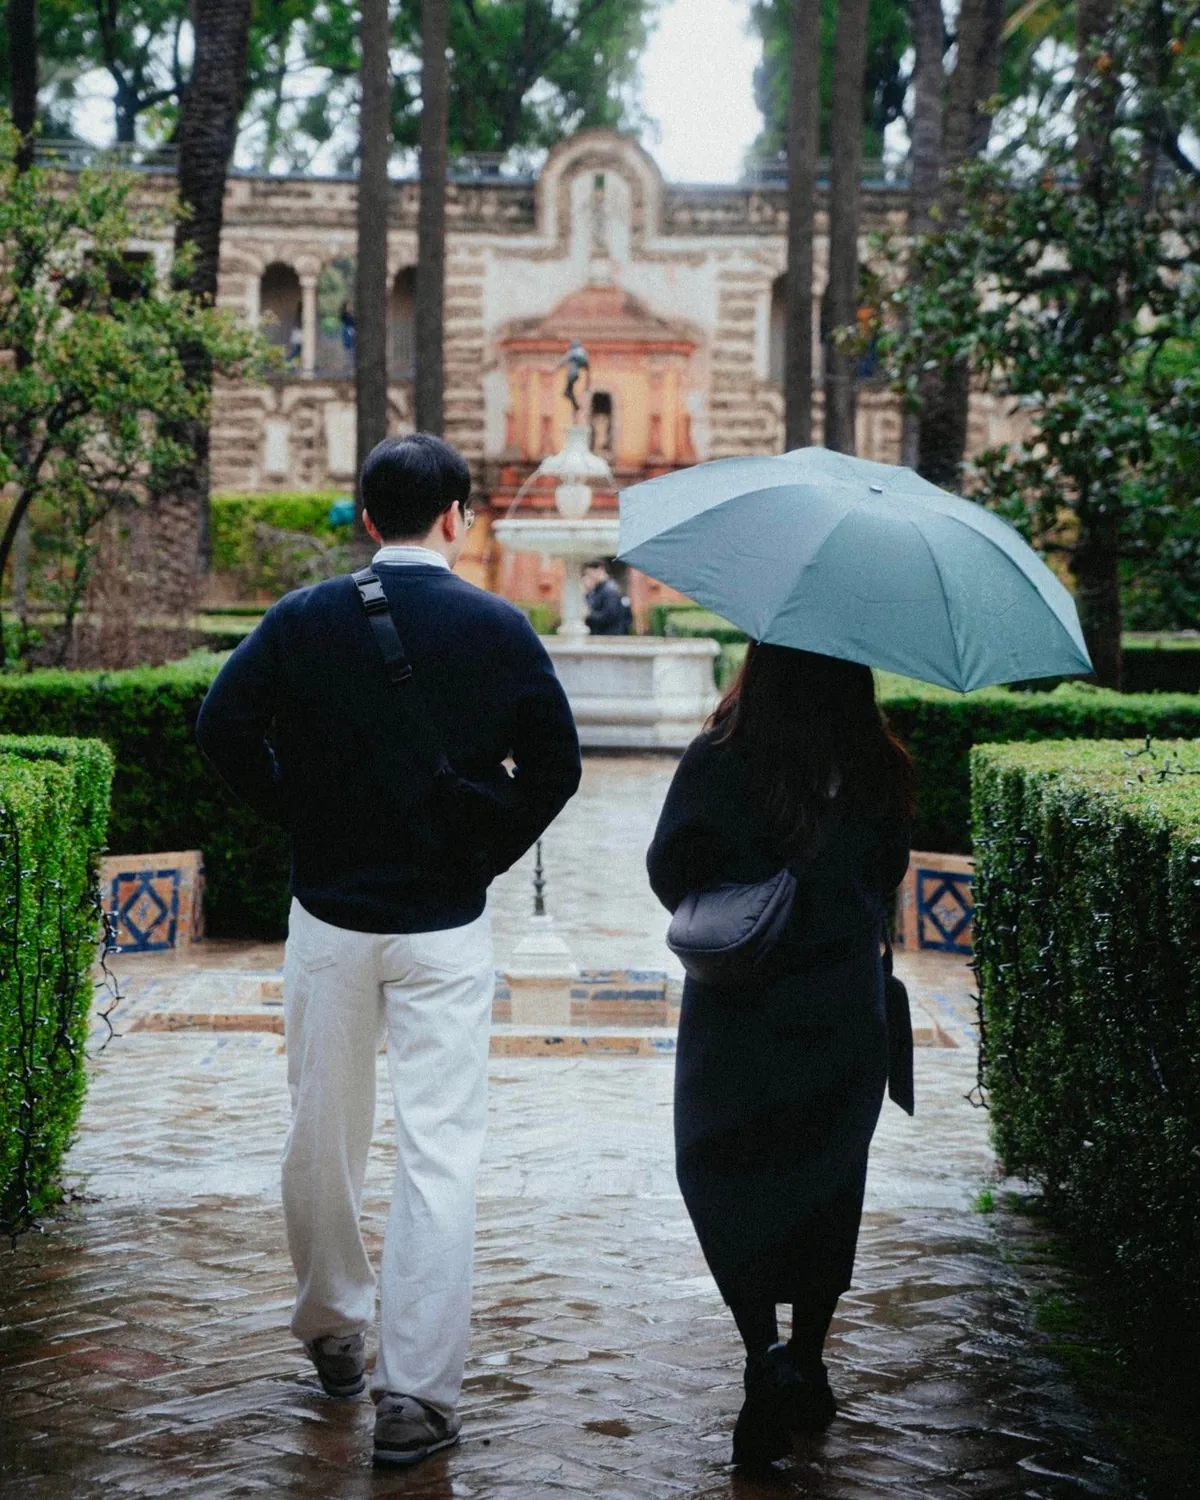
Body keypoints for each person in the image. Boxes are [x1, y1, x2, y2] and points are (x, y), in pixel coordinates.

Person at [195, 433, 581, 1468]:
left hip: (329, 917)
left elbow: (222, 725)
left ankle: (332, 1326)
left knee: (320, 1130)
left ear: (368, 518)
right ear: (457, 516)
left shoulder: (304, 617)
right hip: (445, 926)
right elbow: (558, 766)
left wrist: (301, 816)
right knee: (439, 1149)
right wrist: (483, 851)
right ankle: (417, 1396)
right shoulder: (499, 626)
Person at [646, 643, 913, 1468]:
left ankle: (761, 1352)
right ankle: (808, 1356)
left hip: (741, 1003)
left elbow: (668, 869)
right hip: (841, 1001)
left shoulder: (721, 755)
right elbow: (890, 871)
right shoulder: (878, 761)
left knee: (726, 1171)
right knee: (827, 1179)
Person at [582, 560, 631, 636]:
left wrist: (588, 615)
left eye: (589, 574)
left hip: (609, 636)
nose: (588, 577)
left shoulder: (610, 590)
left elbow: (609, 616)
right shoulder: (598, 589)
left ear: (600, 569)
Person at [556, 338, 590, 412]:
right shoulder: (583, 352)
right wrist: (587, 384)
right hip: (576, 375)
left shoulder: (574, 352)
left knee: (568, 391)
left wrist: (557, 367)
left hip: (572, 374)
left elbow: (564, 360)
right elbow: (586, 365)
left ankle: (574, 403)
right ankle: (576, 405)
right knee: (568, 391)